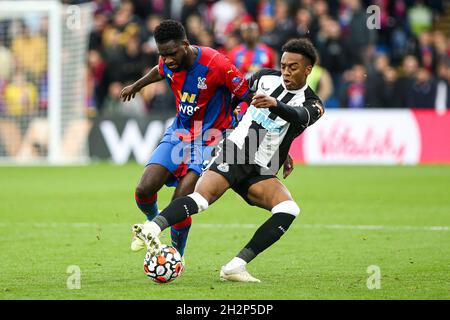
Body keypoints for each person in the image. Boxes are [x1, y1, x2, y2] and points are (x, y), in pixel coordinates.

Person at [133, 38, 324, 282]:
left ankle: (235, 266)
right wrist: (233, 115)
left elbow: (298, 116)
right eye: (284, 65)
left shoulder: (313, 103)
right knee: (201, 199)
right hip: (235, 150)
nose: (286, 71)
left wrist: (275, 109)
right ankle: (151, 228)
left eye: (293, 67)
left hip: (262, 169)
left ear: (308, 69)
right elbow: (236, 94)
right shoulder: (264, 77)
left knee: (288, 209)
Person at [120, 20, 293, 259]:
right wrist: (136, 86)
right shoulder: (168, 59)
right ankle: (153, 226)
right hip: (179, 133)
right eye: (163, 54)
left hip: (211, 138)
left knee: (181, 199)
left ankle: (175, 256)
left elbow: (247, 97)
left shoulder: (217, 63)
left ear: (185, 45)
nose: (168, 59)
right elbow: (160, 70)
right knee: (143, 189)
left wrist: (274, 140)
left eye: (171, 54)